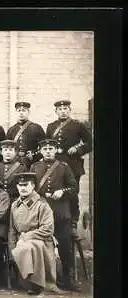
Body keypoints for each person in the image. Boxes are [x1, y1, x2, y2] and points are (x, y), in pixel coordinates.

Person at [30, 139, 80, 292]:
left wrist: (62, 192)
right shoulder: (34, 166)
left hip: (60, 213)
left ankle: (68, 278)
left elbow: (74, 188)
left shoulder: (64, 167)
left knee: (65, 246)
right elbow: (29, 188)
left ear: (56, 150)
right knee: (40, 245)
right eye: (45, 149)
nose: (48, 151)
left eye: (51, 148)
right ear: (40, 151)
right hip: (41, 212)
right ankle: (41, 279)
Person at [45, 100, 92, 249]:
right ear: (56, 111)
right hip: (56, 167)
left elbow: (90, 142)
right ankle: (54, 223)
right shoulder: (51, 127)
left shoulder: (77, 125)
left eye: (65, 108)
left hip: (73, 166)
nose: (63, 111)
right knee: (55, 194)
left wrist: (77, 150)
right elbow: (48, 144)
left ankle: (72, 224)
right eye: (60, 109)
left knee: (72, 194)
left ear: (70, 110)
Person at [9, 172, 62, 295]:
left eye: (26, 185)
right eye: (20, 185)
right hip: (20, 239)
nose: (22, 188)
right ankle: (28, 281)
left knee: (29, 246)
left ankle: (36, 283)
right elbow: (12, 229)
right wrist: (11, 246)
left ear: (32, 186)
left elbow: (48, 229)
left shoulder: (41, 204)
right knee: (23, 246)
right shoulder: (14, 205)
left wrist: (27, 236)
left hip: (42, 239)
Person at [6, 102, 46, 168]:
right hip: (15, 163)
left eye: (24, 110)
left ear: (28, 112)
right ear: (16, 112)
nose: (21, 113)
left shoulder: (36, 128)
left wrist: (34, 155)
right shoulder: (11, 130)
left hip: (32, 163)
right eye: (19, 111)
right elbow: (7, 147)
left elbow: (44, 146)